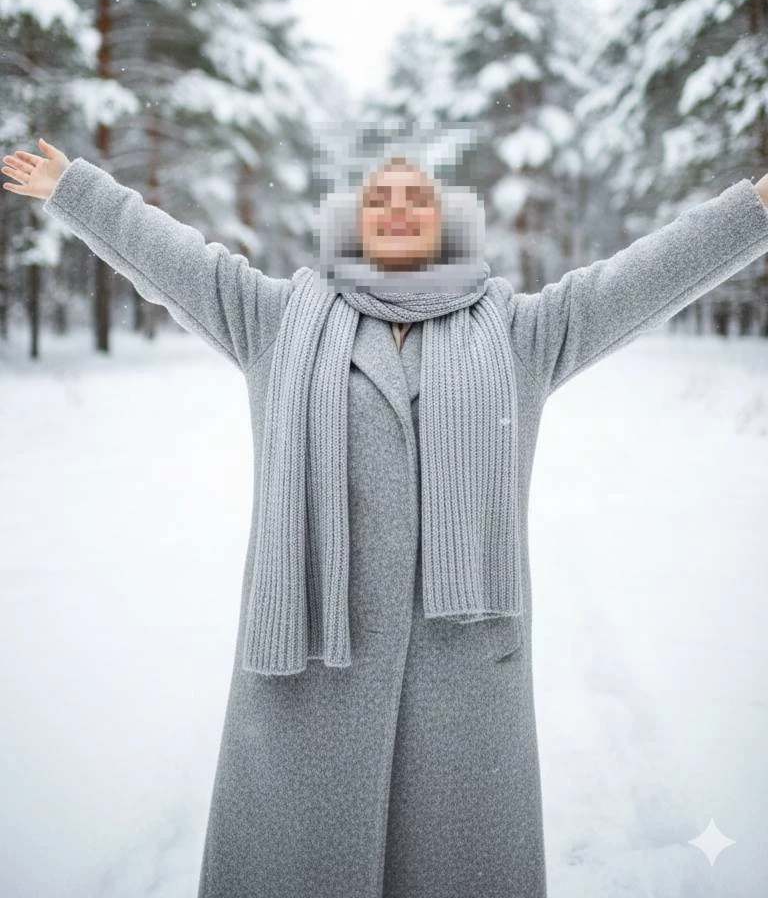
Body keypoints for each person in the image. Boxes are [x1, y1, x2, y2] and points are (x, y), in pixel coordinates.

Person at [4, 136, 768, 898]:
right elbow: (174, 258)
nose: (399, 210)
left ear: (446, 226)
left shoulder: (516, 332)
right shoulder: (278, 322)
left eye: (418, 200)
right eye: (380, 199)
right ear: (354, 225)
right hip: (312, 667)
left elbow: (636, 281)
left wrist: (754, 211)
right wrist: (77, 189)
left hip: (464, 673)